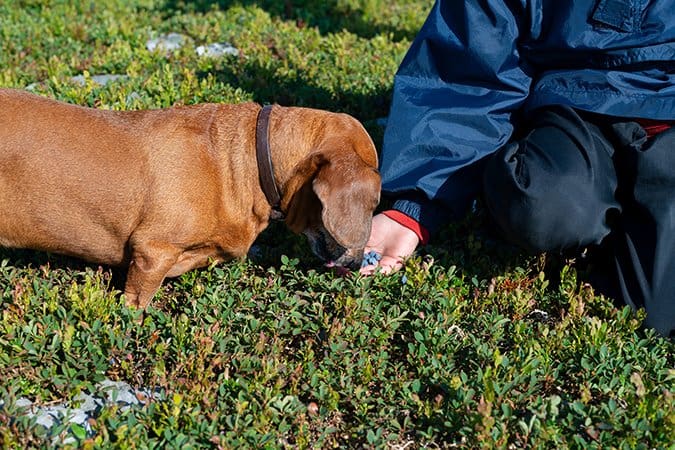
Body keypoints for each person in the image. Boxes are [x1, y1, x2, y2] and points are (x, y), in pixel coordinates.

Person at [360, 0, 675, 337]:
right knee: (537, 204)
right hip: (574, 102)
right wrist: (415, 207)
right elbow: (470, 66)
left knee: (655, 317)